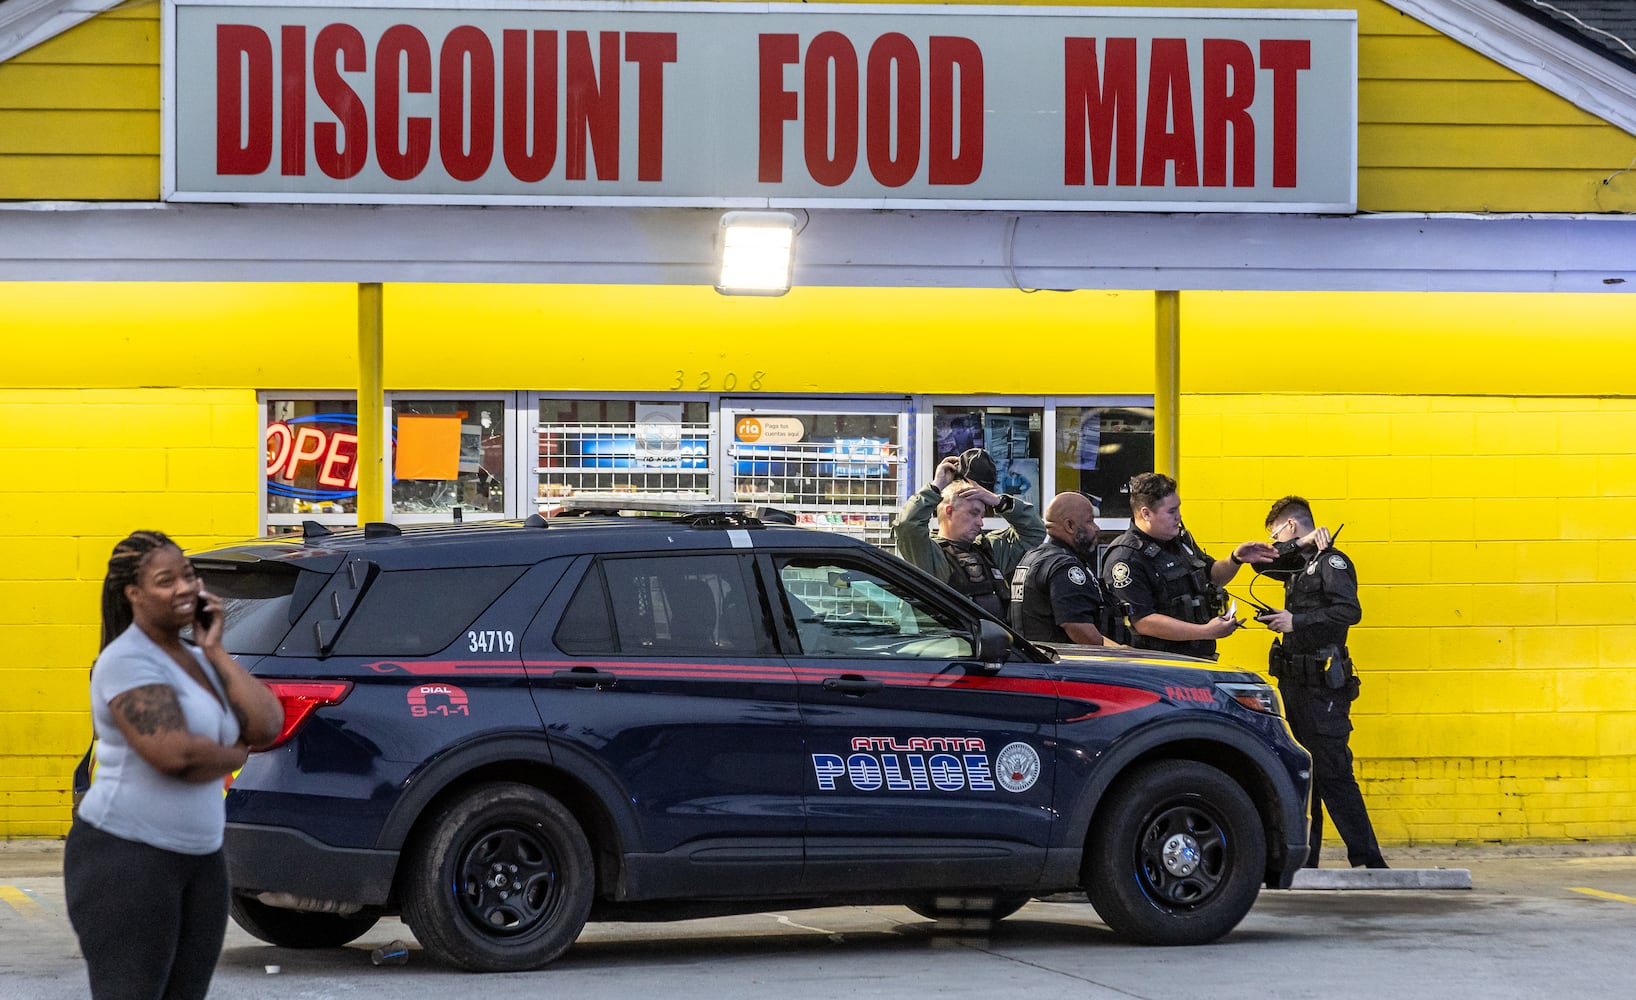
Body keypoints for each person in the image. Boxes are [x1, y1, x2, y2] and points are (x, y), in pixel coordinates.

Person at [65, 530, 283, 1000]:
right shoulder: (125, 661)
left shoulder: (200, 660)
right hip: (126, 858)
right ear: (134, 594)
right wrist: (236, 753)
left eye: (188, 575)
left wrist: (217, 651)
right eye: (166, 581)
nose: (185, 588)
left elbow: (268, 723)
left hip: (201, 860)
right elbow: (176, 755)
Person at [1254, 496, 1388, 869]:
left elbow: (1349, 611)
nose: (1274, 540)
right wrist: (1300, 543)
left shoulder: (1331, 562)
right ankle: (1305, 862)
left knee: (1332, 772)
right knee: (1305, 773)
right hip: (1296, 684)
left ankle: (1369, 862)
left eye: (1276, 532)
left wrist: (1296, 623)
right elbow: (1262, 563)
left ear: (1291, 525)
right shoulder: (1300, 562)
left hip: (1322, 687)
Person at [1100, 472, 1277, 659]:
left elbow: (1212, 576)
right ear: (1146, 513)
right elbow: (1143, 621)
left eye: (1178, 509)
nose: (1178, 516)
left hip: (1195, 658)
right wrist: (1205, 631)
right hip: (1158, 663)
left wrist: (1235, 559)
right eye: (1171, 511)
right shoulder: (1126, 557)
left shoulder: (1179, 541)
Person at [893, 450, 1045, 618]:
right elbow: (907, 525)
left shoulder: (989, 549)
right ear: (949, 511)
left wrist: (998, 501)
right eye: (973, 513)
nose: (980, 522)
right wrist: (936, 486)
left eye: (982, 515)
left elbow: (1035, 533)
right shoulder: (928, 554)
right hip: (951, 643)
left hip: (994, 642)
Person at [1010, 492, 1111, 645]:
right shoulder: (1064, 566)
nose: (1096, 528)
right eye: (1090, 521)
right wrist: (1120, 652)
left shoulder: (1031, 557)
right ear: (1069, 525)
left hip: (1034, 659)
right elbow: (1078, 628)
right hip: (1061, 663)